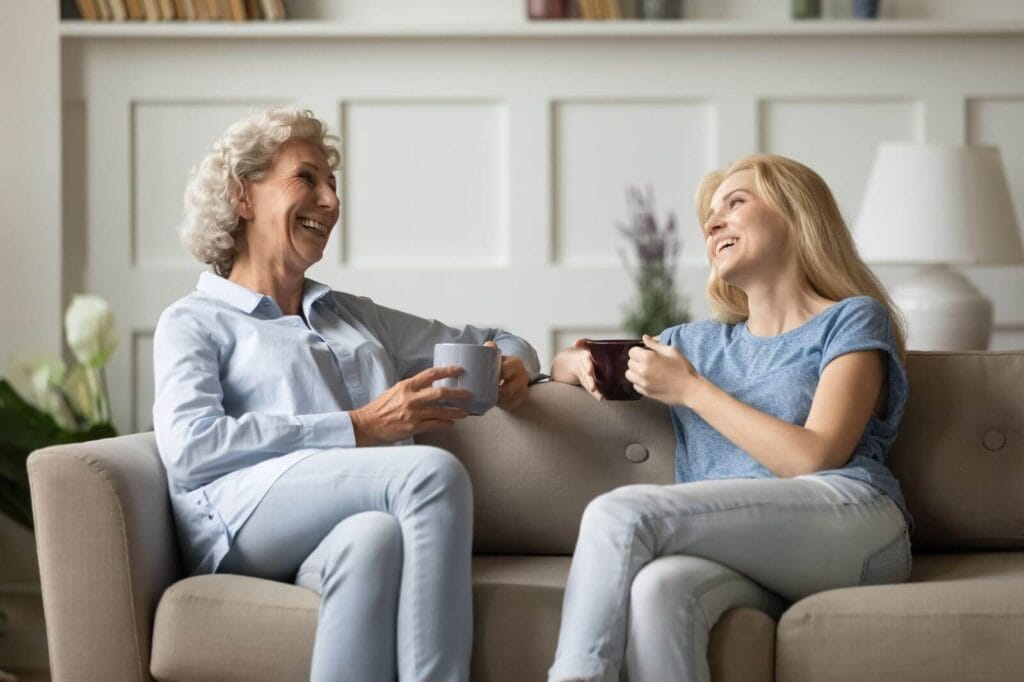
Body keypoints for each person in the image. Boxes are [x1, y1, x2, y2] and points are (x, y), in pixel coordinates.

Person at [152, 106, 540, 682]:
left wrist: (515, 365)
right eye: (305, 178)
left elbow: (494, 338)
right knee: (429, 474)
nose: (331, 202)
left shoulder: (352, 318)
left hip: (349, 515)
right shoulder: (194, 320)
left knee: (374, 541)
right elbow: (189, 449)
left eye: (332, 185)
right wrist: (357, 425)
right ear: (242, 197)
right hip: (235, 521)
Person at [547, 154, 912, 682]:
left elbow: (814, 455)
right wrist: (575, 363)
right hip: (746, 548)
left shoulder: (851, 317)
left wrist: (692, 390)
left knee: (619, 515)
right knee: (659, 590)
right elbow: (565, 365)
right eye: (709, 216)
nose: (713, 222)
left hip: (853, 524)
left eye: (736, 203)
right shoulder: (692, 344)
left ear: (796, 214)